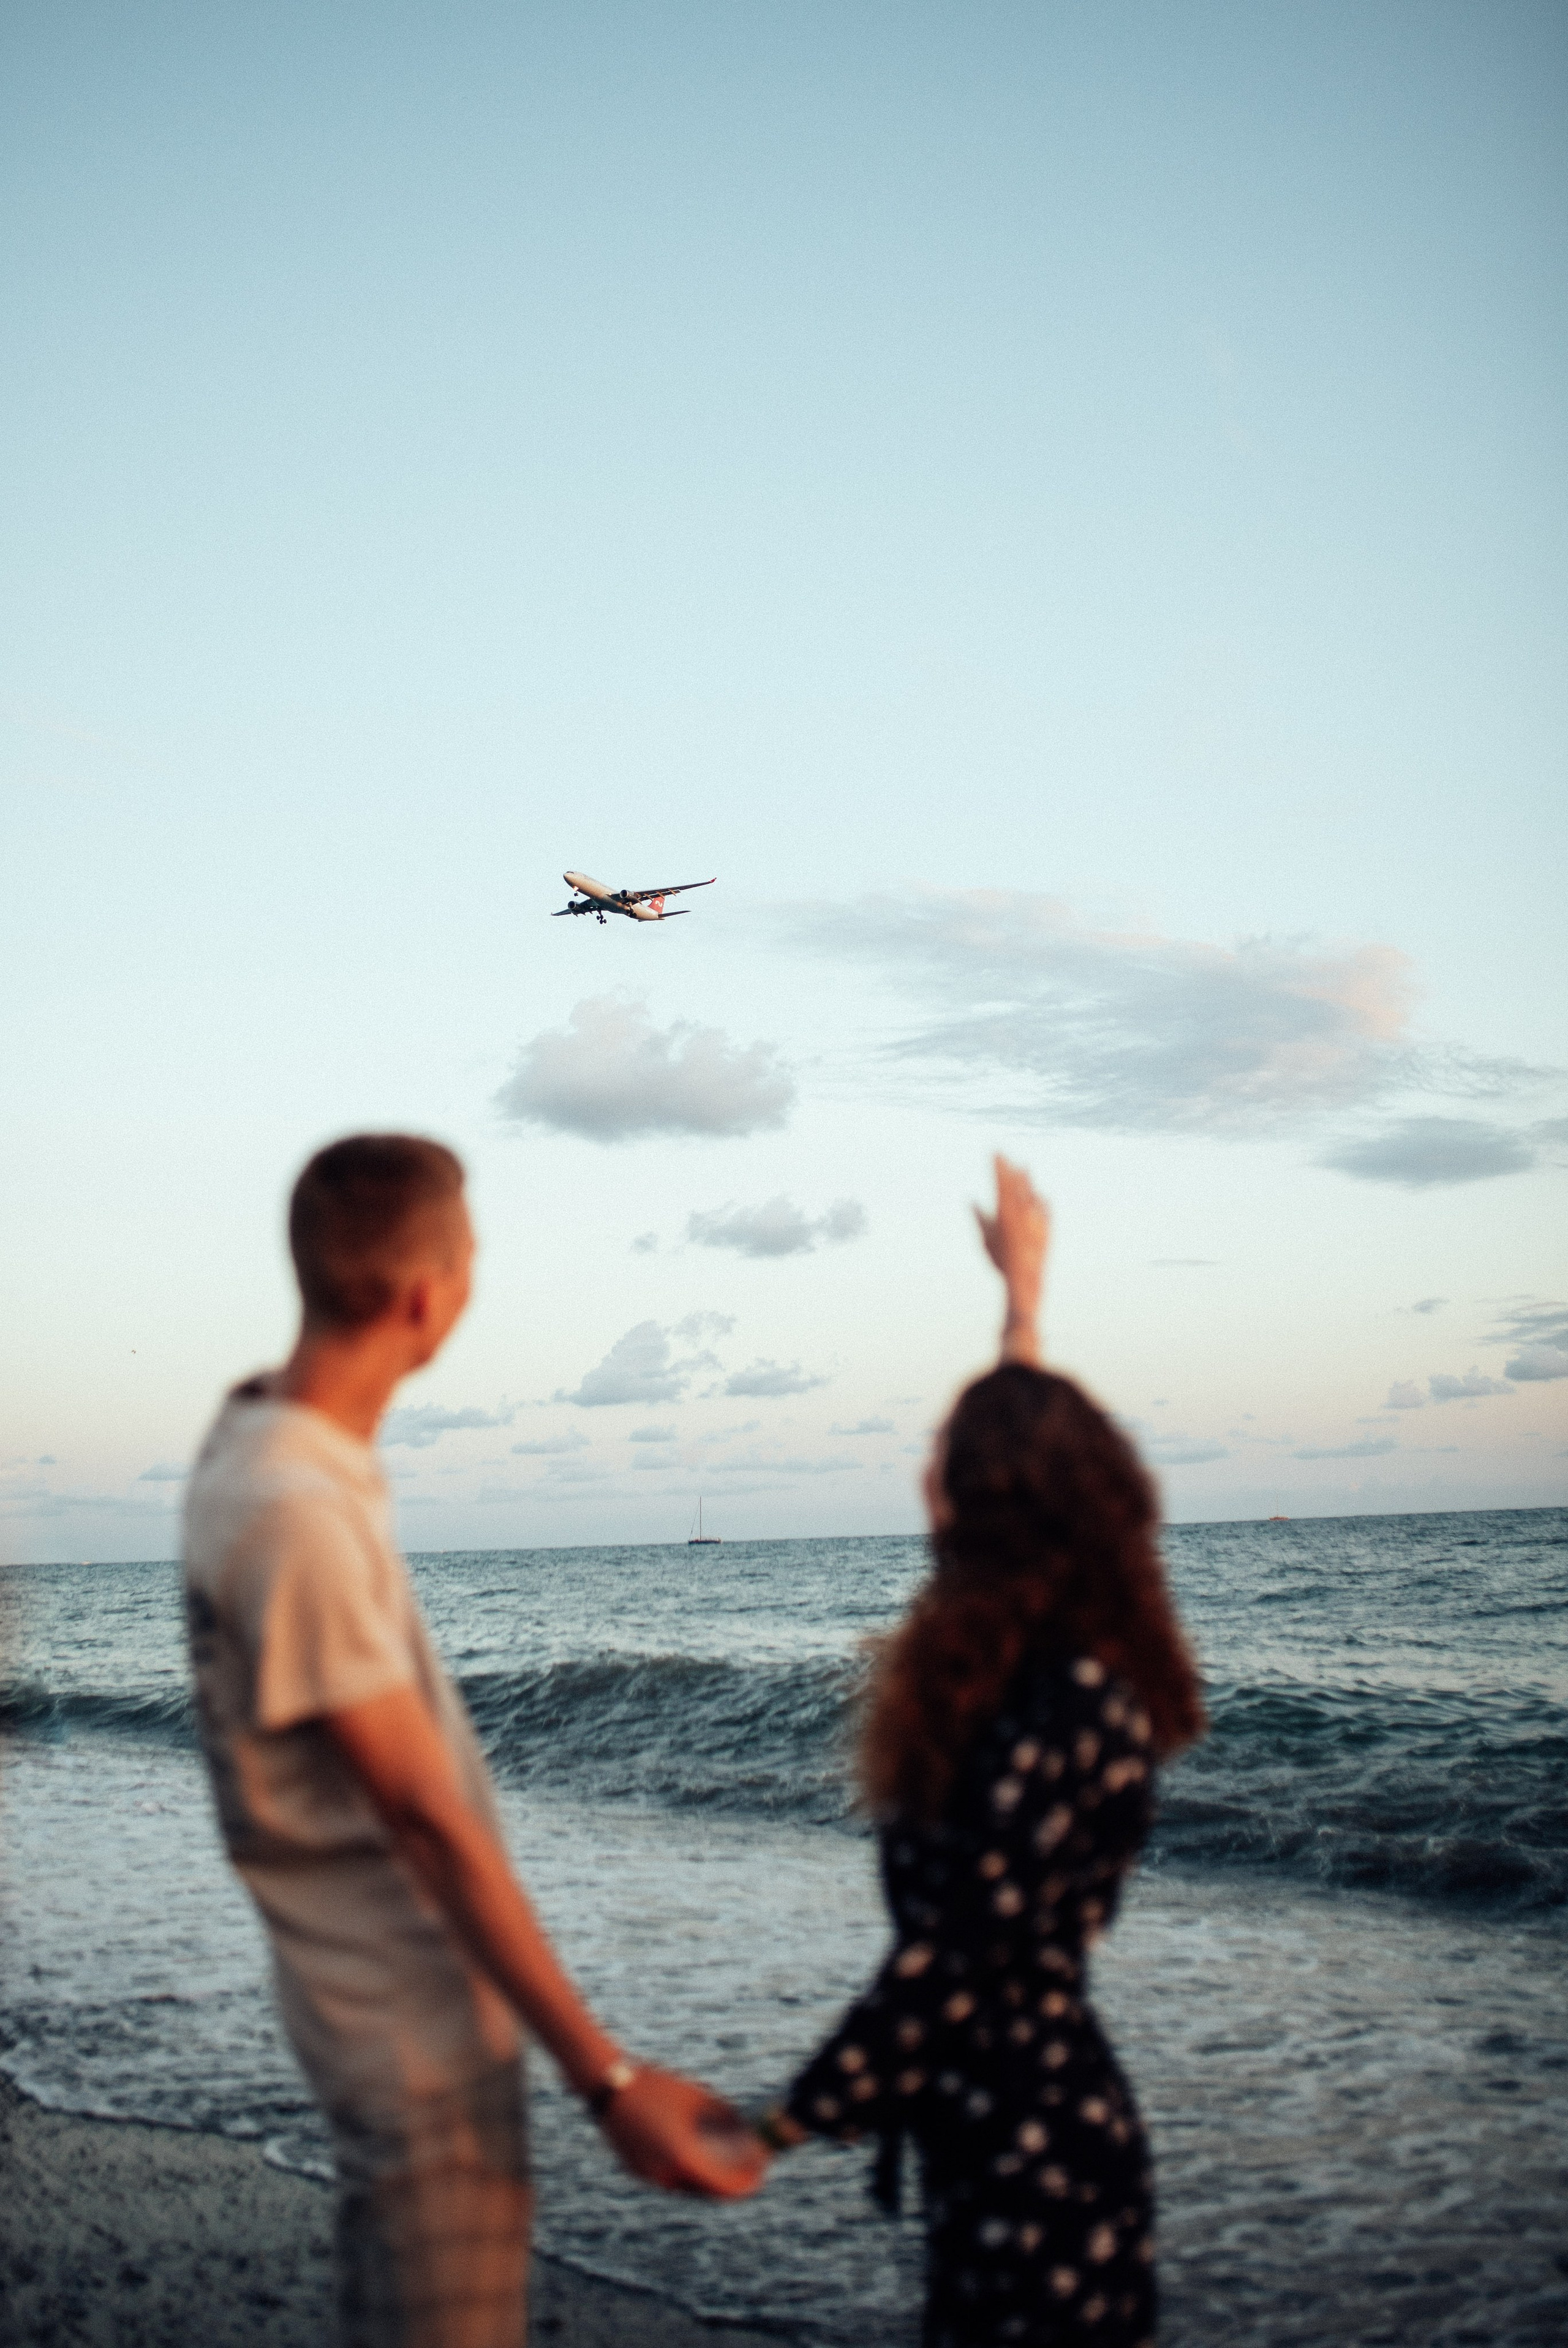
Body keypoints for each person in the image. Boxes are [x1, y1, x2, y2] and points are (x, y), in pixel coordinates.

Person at [183, 1133, 763, 2348]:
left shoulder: (268, 1443)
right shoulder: (294, 1512)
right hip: (414, 2043)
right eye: (472, 1259)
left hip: (381, 2015)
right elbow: (424, 1820)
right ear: (424, 1296)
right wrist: (607, 2083)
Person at [754, 1158, 1204, 2348]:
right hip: (991, 2139)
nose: (923, 1470)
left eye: (942, 1451)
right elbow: (1036, 1443)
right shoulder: (1031, 1659)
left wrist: (776, 2130)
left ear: (992, 1497)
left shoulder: (1062, 1697)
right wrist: (1021, 1300)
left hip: (1039, 2166)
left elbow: (954, 1959)